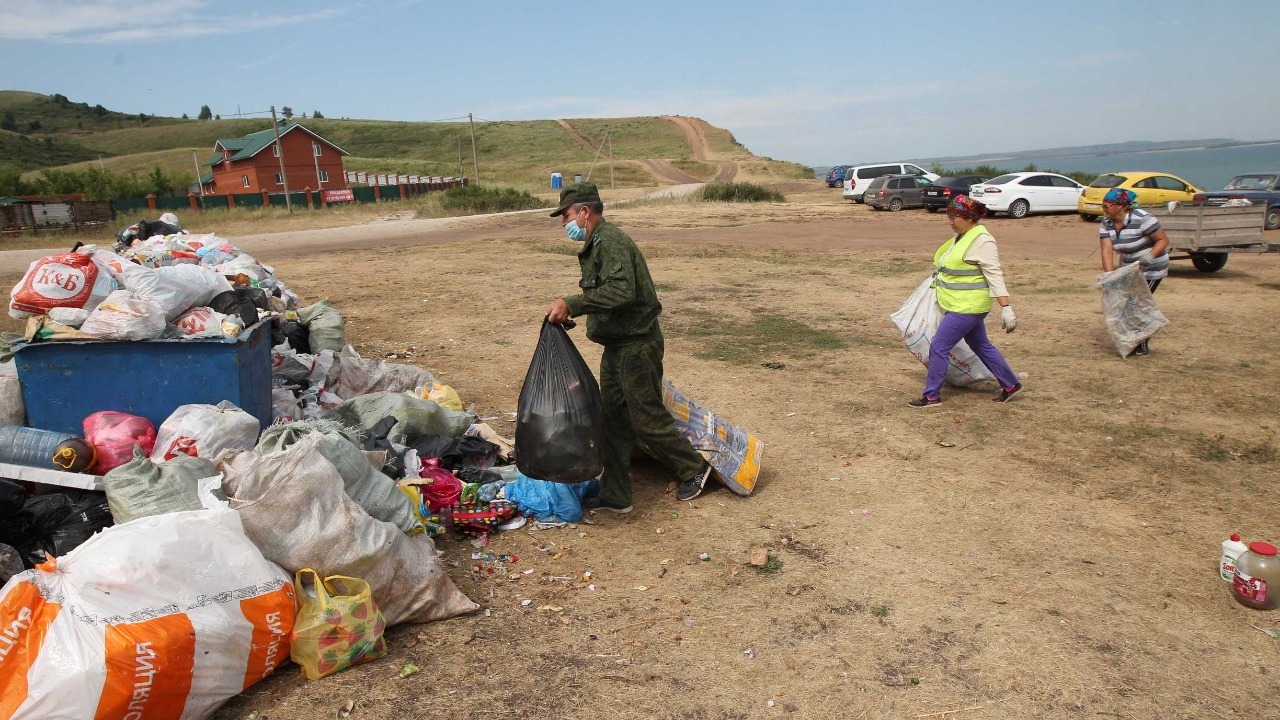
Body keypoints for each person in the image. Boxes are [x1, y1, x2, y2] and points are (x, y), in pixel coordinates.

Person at [545, 182, 713, 513]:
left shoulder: (611, 241)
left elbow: (622, 292)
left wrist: (573, 304)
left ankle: (694, 469)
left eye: (566, 215)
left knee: (646, 418)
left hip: (637, 347)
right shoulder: (597, 244)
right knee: (613, 420)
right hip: (617, 346)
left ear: (584, 212)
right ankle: (616, 494)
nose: (564, 223)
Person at [909, 195, 1023, 408]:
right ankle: (1010, 384)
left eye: (954, 218)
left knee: (939, 346)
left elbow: (994, 275)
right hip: (957, 304)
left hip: (968, 307)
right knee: (980, 344)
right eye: (949, 217)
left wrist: (1006, 307)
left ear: (970, 218)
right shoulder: (962, 236)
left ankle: (931, 396)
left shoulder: (983, 241)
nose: (950, 222)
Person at [1098, 187, 1169, 357]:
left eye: (1107, 206)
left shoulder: (1143, 219)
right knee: (1126, 304)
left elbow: (1163, 240)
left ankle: (1141, 345)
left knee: (1136, 304)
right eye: (1103, 206)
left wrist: (1149, 257)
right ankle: (1133, 341)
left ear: (1122, 206)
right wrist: (1111, 277)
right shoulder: (1106, 223)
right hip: (1129, 269)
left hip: (1152, 268)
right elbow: (1106, 251)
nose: (1104, 209)